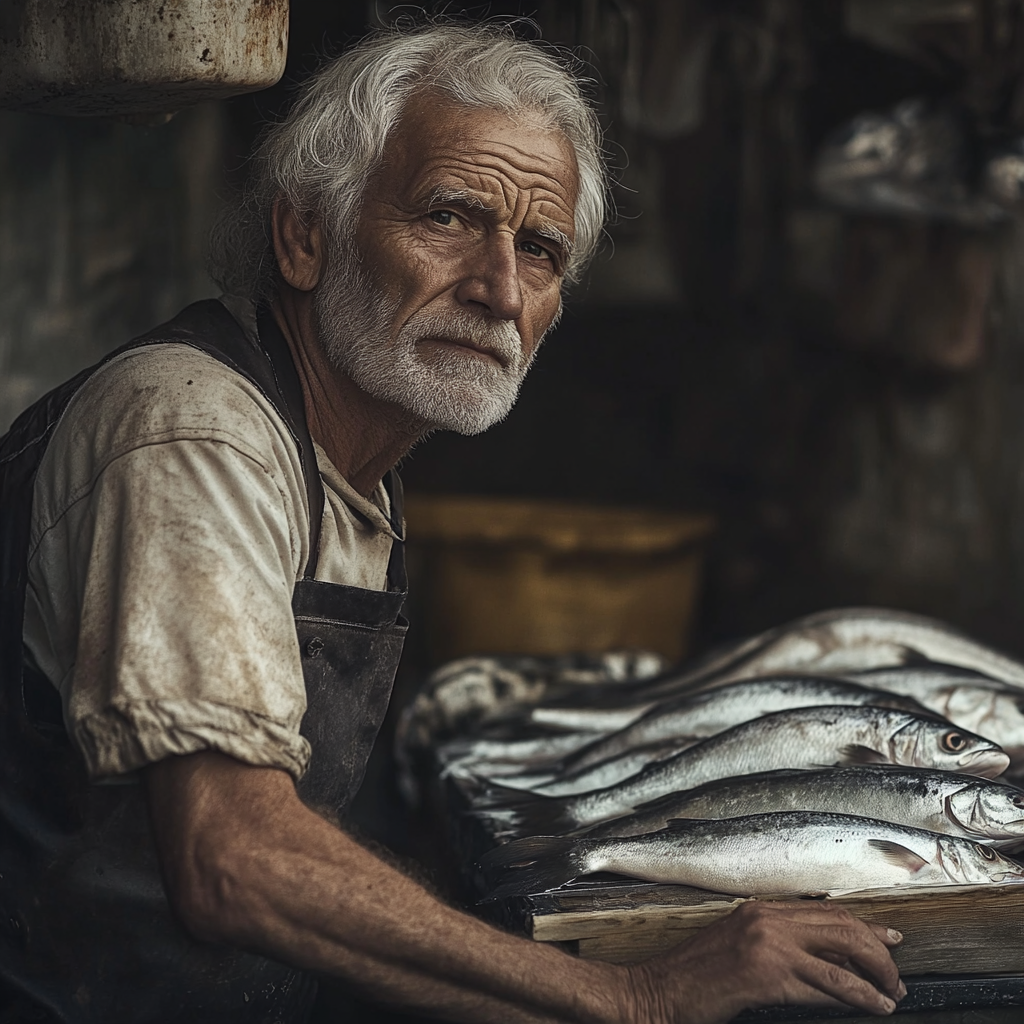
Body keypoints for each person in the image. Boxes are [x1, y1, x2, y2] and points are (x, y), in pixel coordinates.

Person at [0, 22, 906, 1024]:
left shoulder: (354, 475)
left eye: (541, 249)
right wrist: (632, 994)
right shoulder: (192, 431)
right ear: (304, 236)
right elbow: (235, 857)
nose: (499, 289)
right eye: (447, 217)